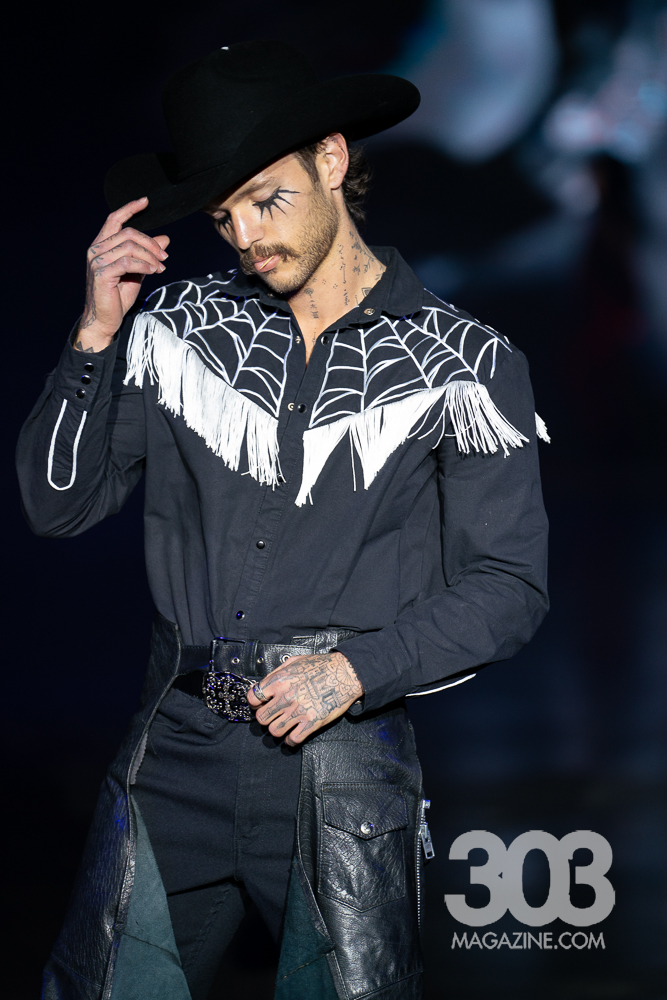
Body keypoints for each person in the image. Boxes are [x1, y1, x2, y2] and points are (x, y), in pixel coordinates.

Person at [17, 39, 549, 1000]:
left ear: (332, 160)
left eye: (267, 200)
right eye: (224, 216)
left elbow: (508, 587)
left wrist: (353, 669)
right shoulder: (178, 333)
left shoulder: (463, 363)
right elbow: (58, 506)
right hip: (172, 750)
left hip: (340, 759)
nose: (246, 238)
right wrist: (95, 333)